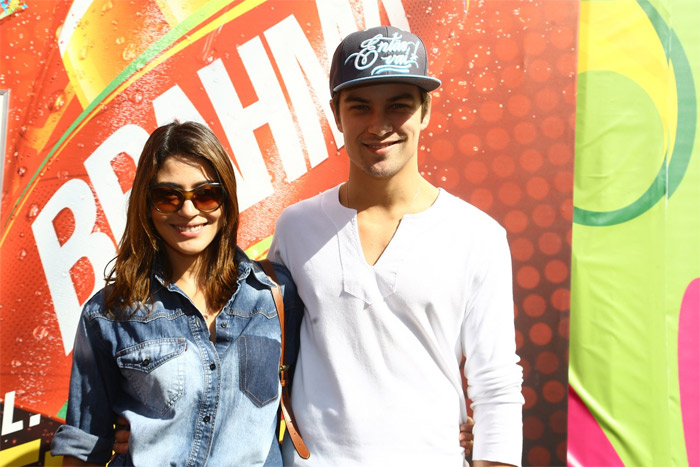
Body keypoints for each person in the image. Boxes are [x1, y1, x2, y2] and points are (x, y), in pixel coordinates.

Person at [267, 25, 524, 466]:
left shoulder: (477, 235)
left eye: (399, 106)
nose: (378, 125)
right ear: (336, 113)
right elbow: (254, 351)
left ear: (425, 110)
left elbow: (496, 382)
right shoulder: (295, 227)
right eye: (360, 106)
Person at [50, 121, 302, 466]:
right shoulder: (109, 314)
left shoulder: (277, 297)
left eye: (205, 194)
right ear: (147, 204)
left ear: (226, 200)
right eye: (168, 196)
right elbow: (84, 445)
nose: (187, 210)